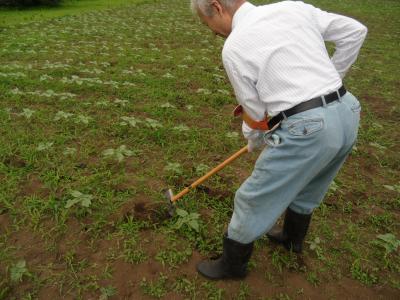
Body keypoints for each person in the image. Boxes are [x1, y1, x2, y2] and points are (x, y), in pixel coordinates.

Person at [190, 0, 368, 280]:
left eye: (207, 22)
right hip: (348, 111)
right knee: (313, 182)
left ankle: (232, 265)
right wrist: (331, 81)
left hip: (310, 128)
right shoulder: (292, 7)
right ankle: (291, 238)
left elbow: (255, 111)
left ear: (217, 7)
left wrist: (252, 137)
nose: (212, 31)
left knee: (252, 196)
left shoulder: (235, 46)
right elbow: (355, 31)